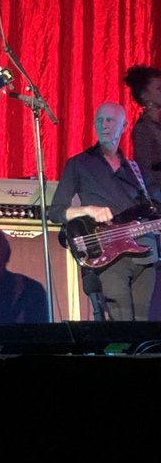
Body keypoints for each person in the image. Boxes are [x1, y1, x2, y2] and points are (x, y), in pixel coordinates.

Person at [47, 102, 158, 321]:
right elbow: (55, 212)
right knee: (121, 324)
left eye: (110, 120)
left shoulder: (135, 170)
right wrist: (87, 210)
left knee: (144, 329)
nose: (104, 125)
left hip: (146, 254)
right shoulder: (79, 164)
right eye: (99, 120)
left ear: (124, 126)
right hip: (109, 255)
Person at [124, 65, 161, 198]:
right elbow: (144, 171)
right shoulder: (143, 129)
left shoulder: (156, 125)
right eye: (158, 89)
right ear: (145, 95)